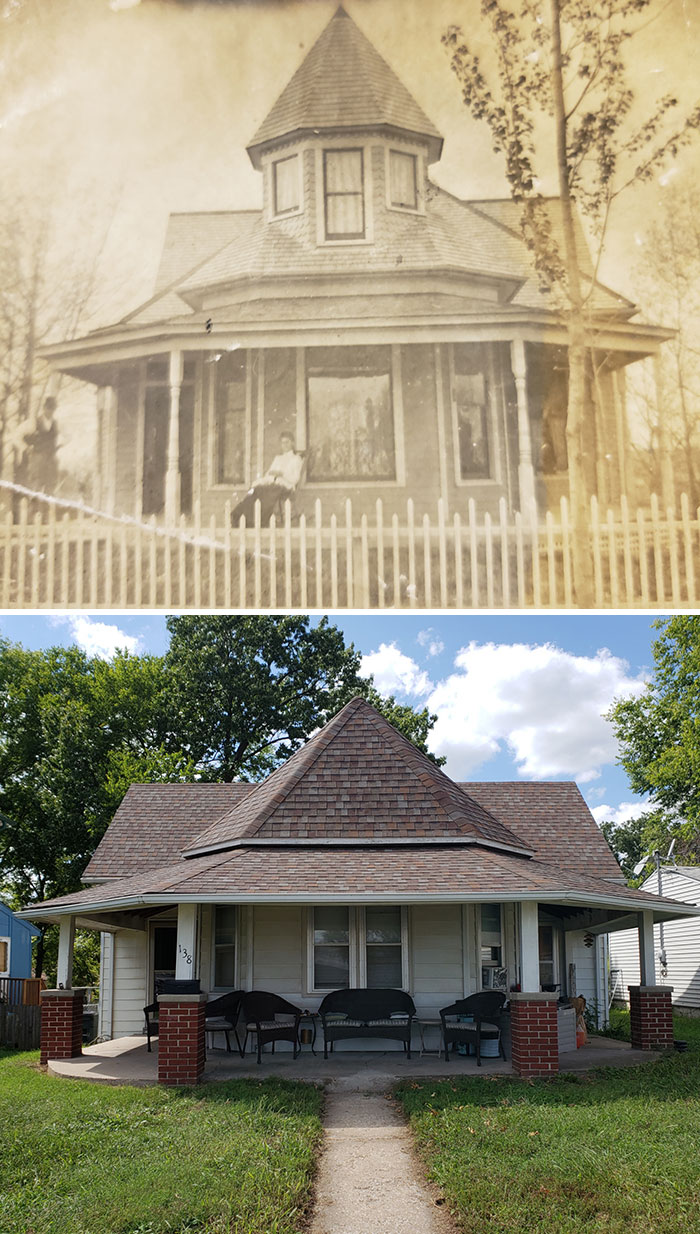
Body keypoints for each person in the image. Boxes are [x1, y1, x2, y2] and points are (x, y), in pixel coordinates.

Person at [230, 432, 304, 525]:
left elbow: (295, 479)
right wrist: (258, 482)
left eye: (287, 442)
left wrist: (282, 474)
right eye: (282, 442)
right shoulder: (278, 458)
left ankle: (258, 520)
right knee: (255, 490)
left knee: (264, 493)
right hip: (272, 485)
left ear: (292, 443)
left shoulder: (296, 459)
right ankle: (238, 516)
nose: (285, 445)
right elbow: (268, 475)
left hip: (286, 487)